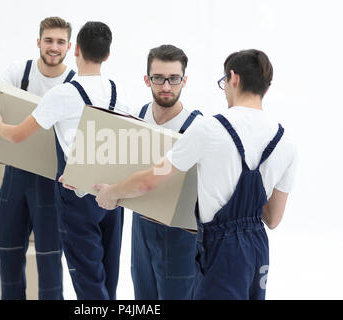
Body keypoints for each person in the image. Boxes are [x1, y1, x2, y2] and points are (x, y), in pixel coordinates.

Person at [94, 49, 298, 300]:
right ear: (266, 87)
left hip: (218, 248)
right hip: (257, 249)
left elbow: (149, 181)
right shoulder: (286, 143)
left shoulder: (209, 129)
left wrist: (111, 193)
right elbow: (273, 218)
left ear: (233, 78)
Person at [0, 21, 130, 300]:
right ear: (107, 55)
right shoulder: (117, 90)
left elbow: (17, 136)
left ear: (75, 49)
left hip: (78, 196)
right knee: (109, 277)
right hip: (114, 196)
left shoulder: (62, 94)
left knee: (88, 280)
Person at [0, 17, 75, 300]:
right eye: (49, 40)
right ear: (38, 42)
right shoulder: (21, 71)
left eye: (60, 42)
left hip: (51, 184)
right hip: (14, 178)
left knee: (50, 265)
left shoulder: (73, 83)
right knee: (7, 255)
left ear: (69, 46)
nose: (54, 47)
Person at [131, 44, 202, 300]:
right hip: (141, 228)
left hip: (180, 234)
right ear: (146, 79)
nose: (166, 86)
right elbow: (119, 168)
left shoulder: (198, 128)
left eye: (174, 79)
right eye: (158, 78)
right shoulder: (136, 117)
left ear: (184, 80)